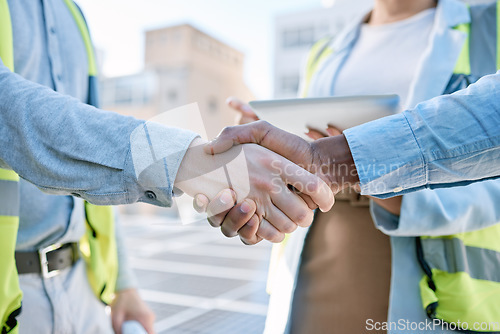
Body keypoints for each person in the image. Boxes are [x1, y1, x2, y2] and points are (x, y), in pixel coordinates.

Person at [0, 1, 333, 333]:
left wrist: (124, 283)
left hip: (82, 288)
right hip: (10, 295)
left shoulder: (71, 14)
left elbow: (89, 163)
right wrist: (197, 164)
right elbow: (8, 110)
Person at [196, 0, 500, 333]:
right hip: (320, 243)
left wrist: (362, 170)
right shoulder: (324, 50)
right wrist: (267, 137)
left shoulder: (490, 25)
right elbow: (307, 145)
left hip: (429, 262)